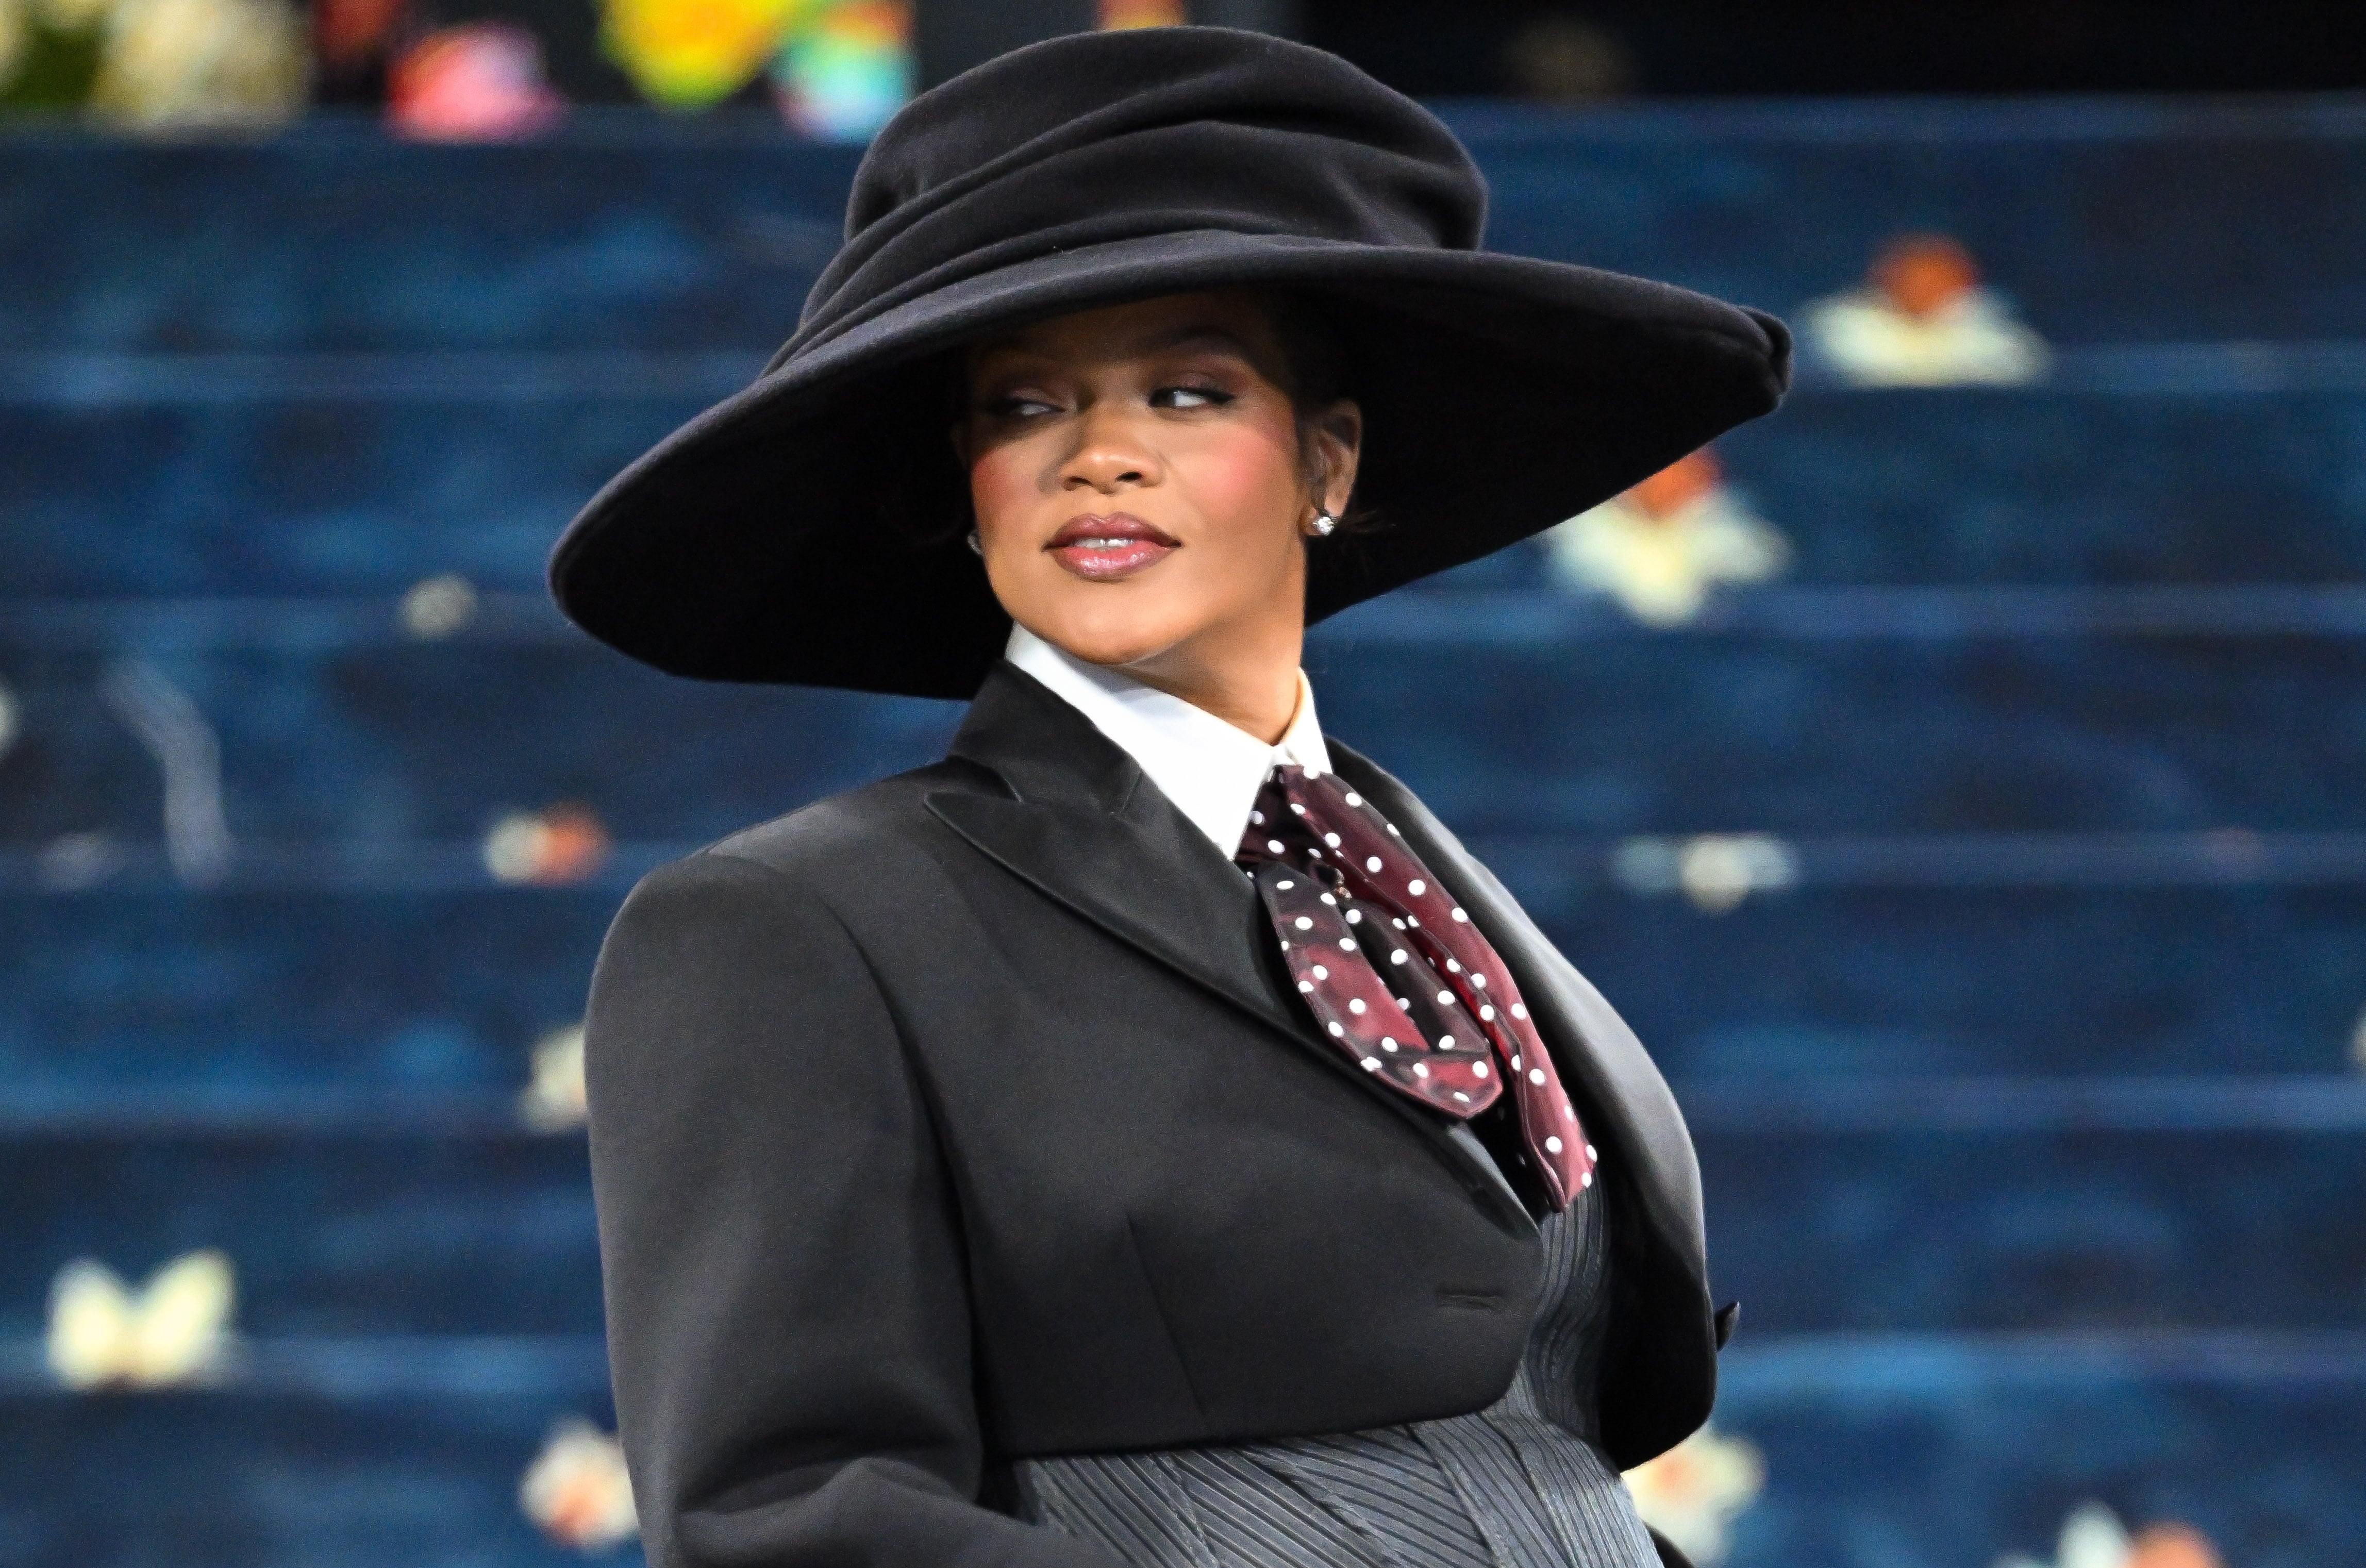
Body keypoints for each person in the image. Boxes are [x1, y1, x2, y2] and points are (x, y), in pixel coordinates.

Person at [547, 26, 1789, 1568]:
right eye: (1025, 405)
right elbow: (791, 1524)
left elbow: (1538, 1436)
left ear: (1329, 463)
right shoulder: (785, 929)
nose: (1101, 456)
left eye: (1188, 391)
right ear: (968, 487)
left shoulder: (1408, 878)